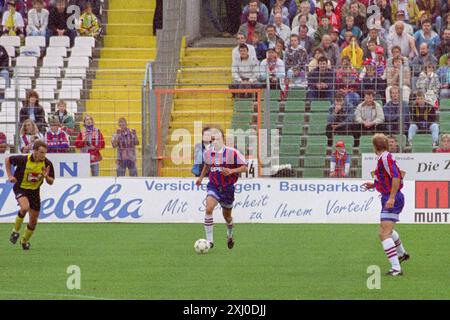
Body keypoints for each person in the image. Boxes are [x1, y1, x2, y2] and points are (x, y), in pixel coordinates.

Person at [362, 133, 409, 277]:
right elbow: (389, 177)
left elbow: (396, 176)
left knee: (384, 233)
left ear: (375, 146)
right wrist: (374, 184)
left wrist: (392, 197)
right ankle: (401, 253)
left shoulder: (385, 158)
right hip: (389, 196)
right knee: (386, 230)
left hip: (391, 197)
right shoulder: (384, 157)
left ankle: (396, 268)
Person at [195, 127, 248, 249]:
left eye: (218, 139)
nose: (215, 141)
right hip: (214, 185)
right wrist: (201, 178)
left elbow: (244, 167)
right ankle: (210, 241)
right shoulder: (207, 153)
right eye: (213, 139)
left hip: (228, 188)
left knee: (227, 217)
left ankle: (230, 235)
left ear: (223, 139)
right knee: (208, 209)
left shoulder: (232, 152)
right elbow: (207, 165)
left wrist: (231, 171)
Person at [6, 140, 55, 250]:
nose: (43, 155)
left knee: (33, 221)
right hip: (21, 188)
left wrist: (46, 177)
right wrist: (10, 175)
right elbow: (7, 160)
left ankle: (24, 241)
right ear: (35, 151)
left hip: (34, 192)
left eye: (45, 153)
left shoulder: (47, 164)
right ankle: (15, 231)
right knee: (24, 207)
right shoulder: (23, 159)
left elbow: (51, 182)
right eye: (41, 152)